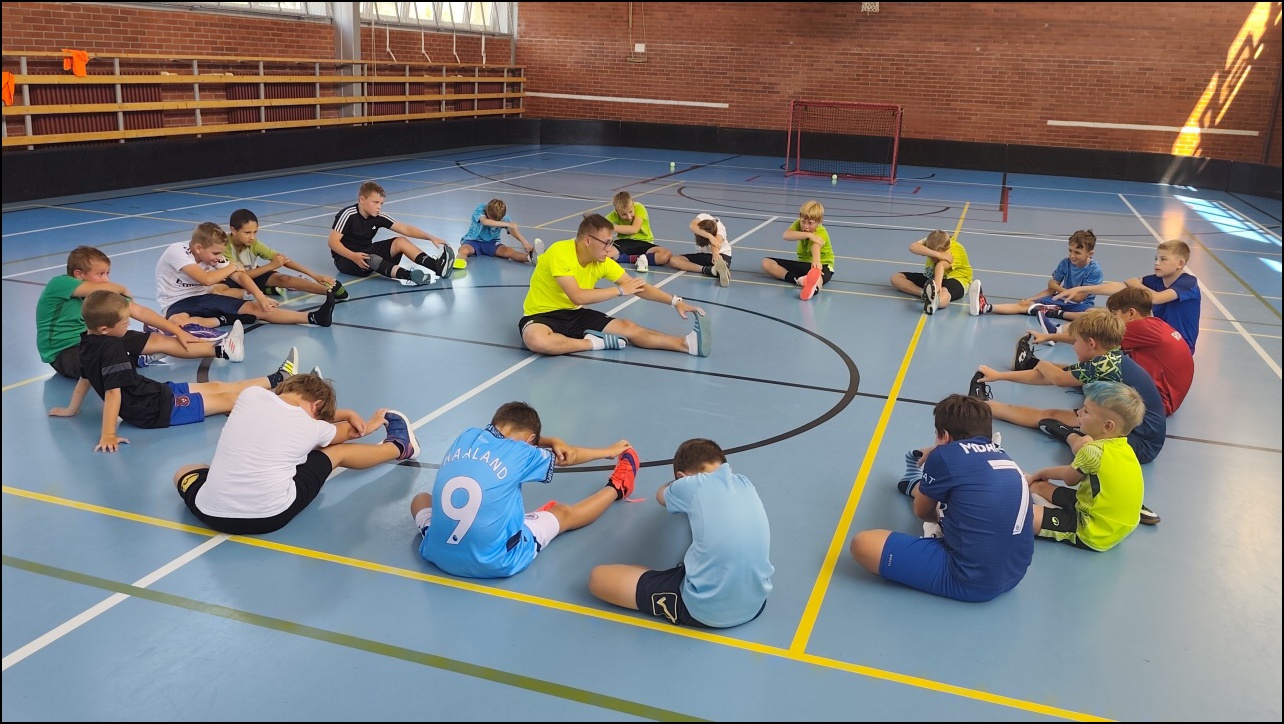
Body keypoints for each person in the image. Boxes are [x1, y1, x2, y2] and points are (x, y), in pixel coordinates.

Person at [48, 291, 300, 453]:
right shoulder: (111, 347)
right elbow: (113, 393)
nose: (129, 325)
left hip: (151, 392)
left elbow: (85, 378)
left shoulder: (86, 342)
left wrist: (71, 409)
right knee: (228, 400)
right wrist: (109, 434)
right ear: (104, 329)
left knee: (215, 387)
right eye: (125, 323)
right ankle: (292, 403)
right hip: (153, 410)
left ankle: (278, 378)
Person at [411, 401, 638, 579]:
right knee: (563, 513)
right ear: (531, 439)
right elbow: (569, 456)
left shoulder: (467, 435)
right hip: (495, 561)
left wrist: (548, 439)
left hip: (436, 554)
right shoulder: (525, 453)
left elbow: (510, 438)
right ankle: (618, 487)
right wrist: (609, 451)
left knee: (421, 498)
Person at [173, 374, 418, 534]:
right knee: (337, 451)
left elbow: (281, 414)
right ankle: (399, 447)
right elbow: (349, 433)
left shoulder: (250, 395)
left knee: (185, 470)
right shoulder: (312, 427)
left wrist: (343, 412)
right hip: (268, 516)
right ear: (317, 406)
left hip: (210, 513)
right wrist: (371, 423)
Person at [849, 395, 1033, 602]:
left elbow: (922, 512)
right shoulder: (1004, 455)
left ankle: (917, 485)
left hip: (969, 580)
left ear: (944, 435)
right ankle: (915, 484)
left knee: (863, 544)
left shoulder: (944, 457)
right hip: (1015, 573)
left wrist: (937, 515)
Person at [589, 438, 773, 628]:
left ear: (681, 477)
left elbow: (661, 495)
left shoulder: (691, 485)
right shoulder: (745, 482)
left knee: (598, 578)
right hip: (757, 601)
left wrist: (680, 482)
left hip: (704, 609)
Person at [37, 246, 244, 380]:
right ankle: (135, 360)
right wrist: (122, 288)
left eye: (108, 273)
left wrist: (177, 331)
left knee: (159, 339)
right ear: (78, 275)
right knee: (111, 357)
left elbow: (139, 311)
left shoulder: (102, 294)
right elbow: (108, 288)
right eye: (100, 274)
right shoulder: (60, 284)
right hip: (64, 353)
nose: (107, 279)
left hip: (97, 338)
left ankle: (224, 350)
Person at [518, 214, 711, 357]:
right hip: (541, 315)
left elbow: (637, 286)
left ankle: (686, 344)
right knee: (536, 340)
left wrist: (675, 301)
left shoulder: (602, 261)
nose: (610, 249)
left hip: (575, 314)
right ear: (588, 240)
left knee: (628, 327)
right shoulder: (560, 252)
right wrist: (619, 291)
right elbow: (577, 296)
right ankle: (593, 343)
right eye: (607, 243)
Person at [1029, 288, 1193, 416]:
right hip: (1169, 395)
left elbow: (1091, 339)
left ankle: (1038, 367)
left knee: (1098, 365)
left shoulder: (1138, 327)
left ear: (1131, 313)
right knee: (1101, 363)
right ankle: (1041, 367)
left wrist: (1050, 336)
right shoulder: (1155, 324)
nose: (1112, 319)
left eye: (1115, 314)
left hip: (1159, 404)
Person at [1026, 381, 1147, 550]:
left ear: (1107, 426)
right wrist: (1041, 474)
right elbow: (1071, 471)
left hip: (1093, 530)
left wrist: (1041, 472)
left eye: (1086, 411)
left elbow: (1069, 479)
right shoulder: (1124, 447)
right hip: (1115, 523)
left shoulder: (1091, 451)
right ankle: (1040, 498)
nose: (1079, 413)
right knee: (1038, 486)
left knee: (1024, 519)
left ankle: (1047, 510)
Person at [157, 222, 337, 329]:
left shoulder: (212, 256)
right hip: (176, 303)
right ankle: (224, 319)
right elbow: (206, 279)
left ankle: (313, 317)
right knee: (179, 323)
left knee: (256, 308)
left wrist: (261, 298)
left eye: (220, 254)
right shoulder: (177, 251)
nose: (218, 258)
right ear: (198, 248)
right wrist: (233, 266)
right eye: (216, 254)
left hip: (204, 298)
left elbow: (240, 276)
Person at [1055, 239, 1201, 353]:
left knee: (1106, 331)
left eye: (1163, 259)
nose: (1157, 263)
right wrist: (1082, 289)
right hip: (1158, 336)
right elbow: (1120, 286)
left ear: (1180, 263)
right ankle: (1057, 329)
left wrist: (1135, 283)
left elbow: (1156, 298)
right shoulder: (1156, 280)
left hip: (1179, 346)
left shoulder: (1188, 283)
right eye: (1156, 258)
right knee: (1101, 314)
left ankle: (1054, 334)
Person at [328, 180, 456, 285]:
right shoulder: (348, 214)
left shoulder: (379, 216)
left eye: (381, 203)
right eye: (375, 202)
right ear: (362, 200)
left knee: (400, 241)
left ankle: (437, 267)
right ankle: (410, 276)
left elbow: (405, 229)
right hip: (346, 259)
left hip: (366, 251)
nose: (379, 207)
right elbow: (332, 242)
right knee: (372, 258)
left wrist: (431, 237)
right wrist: (353, 256)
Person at [968, 230, 1103, 321]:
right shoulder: (1065, 263)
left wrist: (1058, 289)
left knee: (1094, 316)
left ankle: (1055, 312)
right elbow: (1050, 288)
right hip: (1059, 299)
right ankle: (986, 307)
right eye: (1070, 251)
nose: (1072, 255)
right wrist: (1030, 299)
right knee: (1024, 305)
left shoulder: (1094, 270)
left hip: (1080, 305)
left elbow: (1078, 297)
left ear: (1090, 254)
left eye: (1077, 253)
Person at [225, 208, 348, 300]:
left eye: (255, 232)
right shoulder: (224, 246)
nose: (252, 237)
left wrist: (315, 276)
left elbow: (282, 259)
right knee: (229, 293)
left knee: (284, 278)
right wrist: (271, 266)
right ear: (233, 230)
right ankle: (262, 290)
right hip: (232, 281)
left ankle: (328, 292)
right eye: (247, 233)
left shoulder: (253, 243)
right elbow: (240, 277)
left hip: (253, 275)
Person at [889, 229, 973, 315]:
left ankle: (936, 302)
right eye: (930, 255)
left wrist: (937, 287)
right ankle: (925, 294)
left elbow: (941, 266)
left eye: (935, 258)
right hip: (933, 276)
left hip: (957, 280)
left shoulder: (955, 249)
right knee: (896, 277)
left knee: (944, 291)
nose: (932, 259)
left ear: (946, 249)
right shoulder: (932, 241)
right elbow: (913, 247)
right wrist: (938, 255)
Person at [762, 200, 833, 301]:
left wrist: (816, 260)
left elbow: (816, 246)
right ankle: (800, 280)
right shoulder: (798, 224)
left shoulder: (821, 232)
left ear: (819, 221)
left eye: (810, 223)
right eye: (803, 221)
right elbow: (786, 235)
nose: (805, 226)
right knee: (766, 262)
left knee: (819, 278)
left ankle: (813, 289)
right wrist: (809, 235)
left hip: (821, 266)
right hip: (803, 265)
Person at [605, 190, 671, 272]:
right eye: (624, 214)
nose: (629, 217)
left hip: (644, 242)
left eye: (630, 212)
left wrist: (610, 227)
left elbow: (634, 229)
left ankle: (624, 258)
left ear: (633, 204)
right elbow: (600, 228)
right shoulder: (613, 215)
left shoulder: (639, 207)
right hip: (624, 243)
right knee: (603, 254)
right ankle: (640, 258)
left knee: (665, 255)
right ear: (616, 211)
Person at [458, 198, 537, 264]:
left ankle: (531, 258)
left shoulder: (504, 217)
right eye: (491, 218)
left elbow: (512, 230)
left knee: (508, 251)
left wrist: (524, 242)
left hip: (491, 243)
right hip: (473, 241)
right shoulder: (480, 208)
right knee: (463, 250)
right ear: (487, 210)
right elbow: (484, 221)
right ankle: (459, 262)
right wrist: (508, 224)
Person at [665, 213, 732, 287]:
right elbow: (692, 225)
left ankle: (721, 267)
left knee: (720, 261)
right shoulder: (703, 217)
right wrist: (710, 237)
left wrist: (715, 255)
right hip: (702, 255)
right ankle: (710, 270)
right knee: (674, 260)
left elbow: (715, 245)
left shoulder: (720, 228)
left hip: (721, 255)